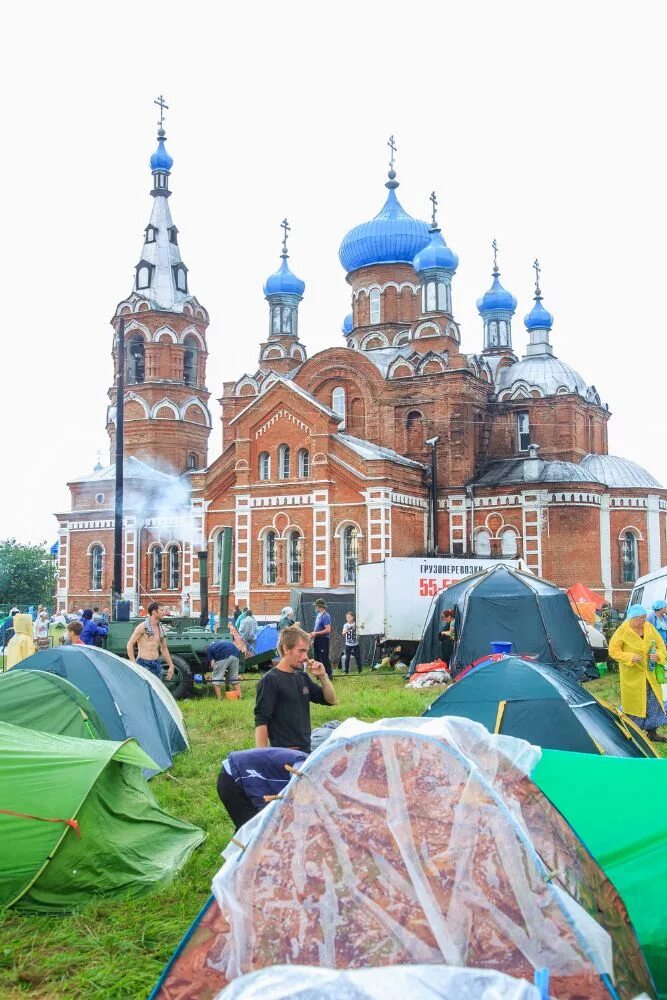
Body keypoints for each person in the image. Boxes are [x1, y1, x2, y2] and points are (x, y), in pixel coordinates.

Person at [255, 625, 336, 753]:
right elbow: (261, 721)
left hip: (306, 750)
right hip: (284, 754)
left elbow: (331, 700)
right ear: (286, 648)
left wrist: (323, 676)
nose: (306, 657)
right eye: (301, 651)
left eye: (307, 651)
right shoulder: (270, 680)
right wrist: (263, 757)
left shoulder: (302, 677)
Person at [609, 604, 667, 742]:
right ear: (632, 618)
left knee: (654, 702)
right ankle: (632, 732)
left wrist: (657, 655)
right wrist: (629, 657)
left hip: (651, 673)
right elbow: (613, 651)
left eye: (645, 617)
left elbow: (661, 647)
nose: (644, 620)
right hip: (633, 675)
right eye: (641, 618)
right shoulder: (622, 631)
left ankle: (652, 733)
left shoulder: (649, 627)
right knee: (634, 704)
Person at [217, 747, 307, 830]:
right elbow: (299, 801)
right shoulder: (303, 767)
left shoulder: (308, 765)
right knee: (254, 831)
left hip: (246, 777)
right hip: (233, 778)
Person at [126, 602, 175, 682]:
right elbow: (130, 644)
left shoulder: (162, 629)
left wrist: (171, 665)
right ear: (154, 612)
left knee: (156, 691)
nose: (164, 612)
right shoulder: (142, 627)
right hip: (143, 663)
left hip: (156, 664)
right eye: (162, 610)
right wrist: (133, 663)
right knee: (143, 690)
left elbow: (164, 648)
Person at [310, 598, 332, 678]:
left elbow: (328, 630)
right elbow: (316, 628)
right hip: (317, 639)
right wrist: (313, 638)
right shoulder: (318, 615)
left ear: (320, 606)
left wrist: (316, 633)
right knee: (317, 657)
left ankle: (329, 675)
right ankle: (319, 675)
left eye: (316, 606)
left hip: (323, 640)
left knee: (324, 658)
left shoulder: (326, 616)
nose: (315, 607)